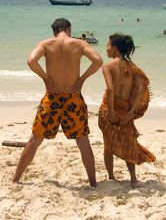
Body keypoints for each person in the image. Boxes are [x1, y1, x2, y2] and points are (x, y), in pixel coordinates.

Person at [13, 18, 103, 187]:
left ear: (54, 31)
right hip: (73, 97)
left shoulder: (47, 44)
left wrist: (46, 78)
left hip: (52, 97)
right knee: (83, 141)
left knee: (35, 140)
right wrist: (82, 79)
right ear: (68, 29)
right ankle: (93, 183)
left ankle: (16, 178)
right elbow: (98, 60)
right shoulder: (79, 44)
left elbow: (31, 61)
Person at [98, 33, 155, 187]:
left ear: (115, 48)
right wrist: (130, 113)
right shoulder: (133, 68)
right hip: (125, 112)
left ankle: (111, 176)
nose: (106, 49)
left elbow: (110, 89)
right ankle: (133, 179)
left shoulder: (107, 67)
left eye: (107, 45)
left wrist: (110, 111)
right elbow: (139, 89)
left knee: (108, 144)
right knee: (128, 143)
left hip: (108, 109)